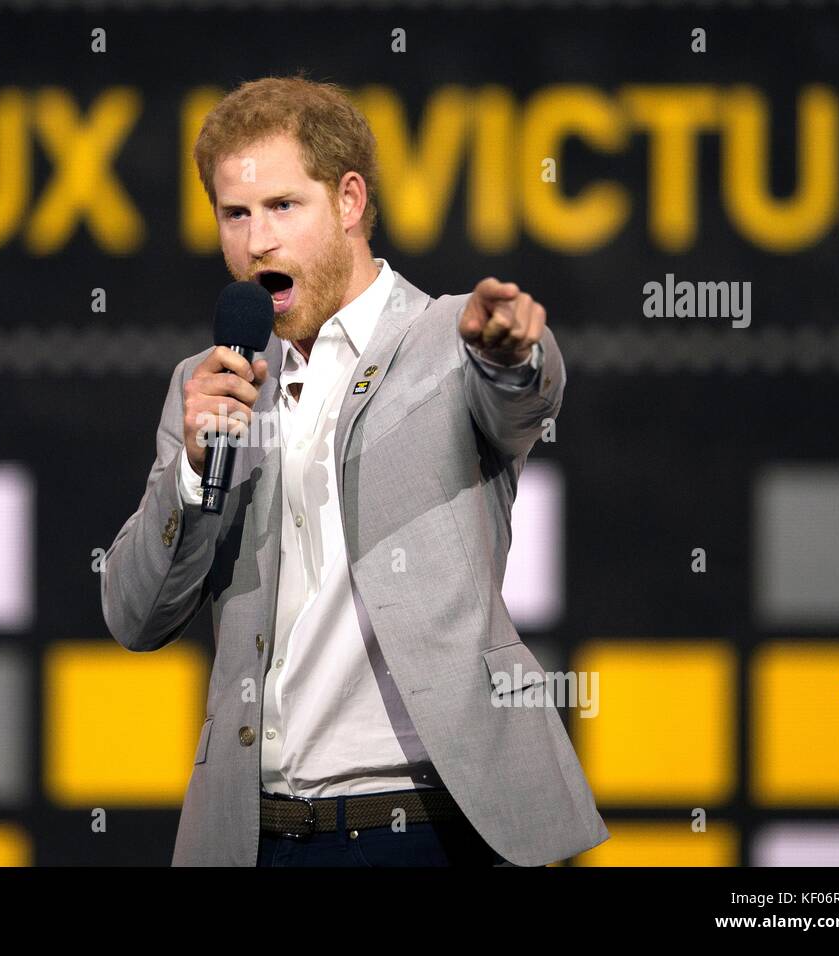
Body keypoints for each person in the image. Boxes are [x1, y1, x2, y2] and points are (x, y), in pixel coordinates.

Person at [100, 74, 609, 867]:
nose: (255, 241)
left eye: (281, 207)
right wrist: (195, 471)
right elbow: (134, 614)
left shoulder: (447, 338)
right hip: (258, 835)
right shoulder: (207, 386)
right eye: (235, 215)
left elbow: (523, 393)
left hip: (429, 829)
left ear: (347, 200)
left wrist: (513, 355)